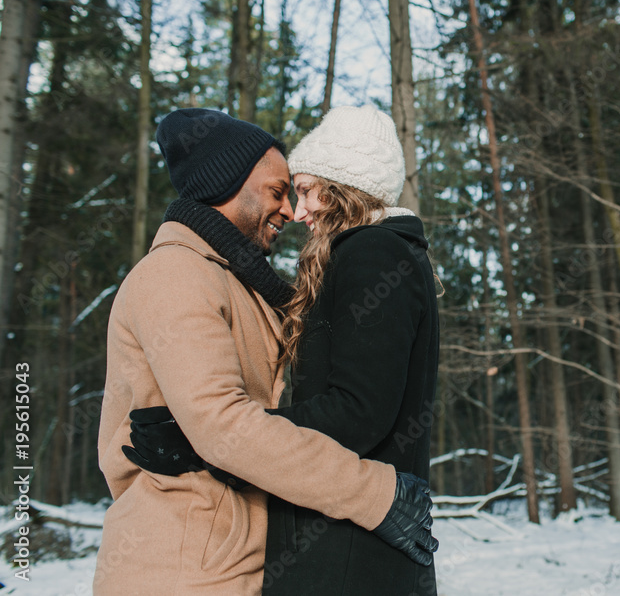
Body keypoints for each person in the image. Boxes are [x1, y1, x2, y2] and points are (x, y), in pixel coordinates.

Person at [96, 109, 435, 595]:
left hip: (237, 563)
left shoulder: (243, 287)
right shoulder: (174, 274)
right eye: (278, 191)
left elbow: (259, 420)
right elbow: (223, 425)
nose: (290, 211)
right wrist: (375, 494)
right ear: (225, 186)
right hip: (182, 568)